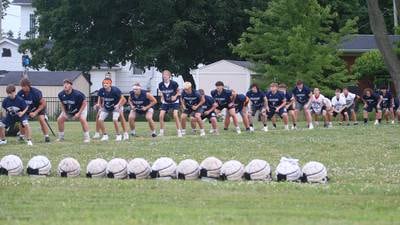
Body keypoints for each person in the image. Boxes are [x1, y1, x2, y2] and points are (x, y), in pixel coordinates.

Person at [17, 78, 50, 142]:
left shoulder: (36, 92)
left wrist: (35, 112)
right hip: (27, 110)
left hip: (38, 108)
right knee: (22, 119)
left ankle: (47, 137)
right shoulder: (20, 93)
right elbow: (19, 105)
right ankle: (21, 136)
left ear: (28, 85)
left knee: (41, 119)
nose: (22, 88)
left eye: (24, 86)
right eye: (22, 86)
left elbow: (43, 103)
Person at [158, 70, 182, 137]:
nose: (164, 76)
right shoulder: (160, 84)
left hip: (174, 102)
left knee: (175, 115)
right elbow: (162, 92)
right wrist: (162, 98)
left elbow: (178, 92)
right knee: (161, 116)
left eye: (166, 75)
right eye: (163, 75)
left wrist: (175, 96)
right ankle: (161, 132)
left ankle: (179, 131)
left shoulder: (174, 83)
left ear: (169, 76)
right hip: (166, 102)